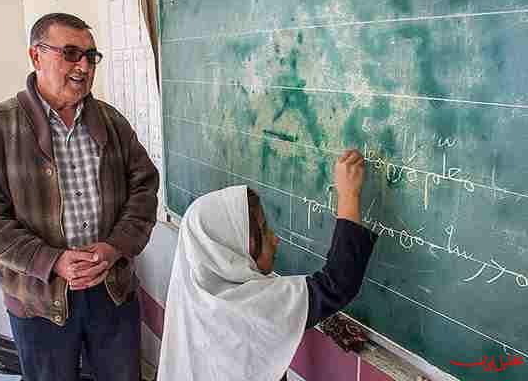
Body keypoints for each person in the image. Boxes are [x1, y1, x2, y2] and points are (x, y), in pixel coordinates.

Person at [0, 13, 159, 381]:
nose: (83, 66)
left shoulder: (112, 122)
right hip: (38, 299)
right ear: (36, 57)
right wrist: (50, 260)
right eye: (70, 53)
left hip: (111, 289)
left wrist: (115, 247)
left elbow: (144, 186)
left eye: (90, 56)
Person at [157, 149, 377, 381]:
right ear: (235, 250)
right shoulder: (245, 308)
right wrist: (349, 196)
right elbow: (336, 285)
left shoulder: (197, 298)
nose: (275, 238)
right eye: (264, 230)